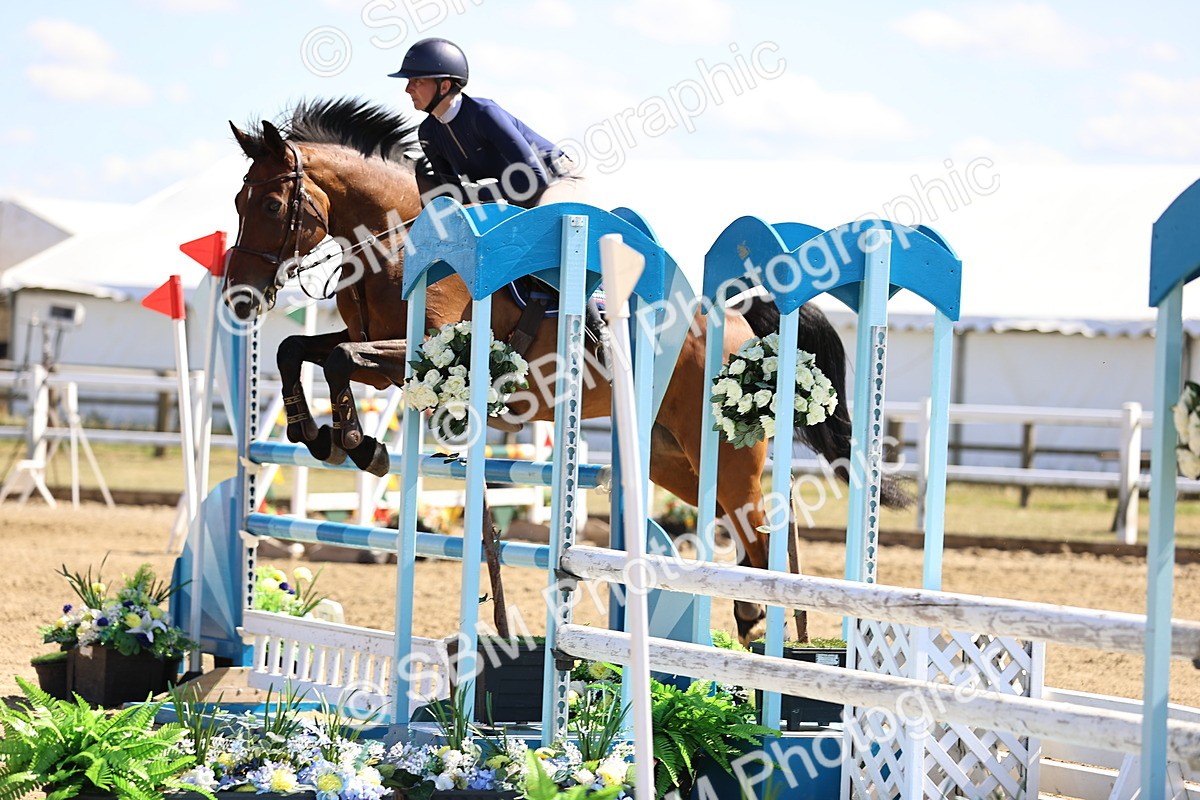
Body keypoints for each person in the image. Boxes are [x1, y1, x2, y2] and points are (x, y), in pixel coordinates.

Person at [389, 38, 584, 209]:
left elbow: (533, 178)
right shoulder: (428, 133)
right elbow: (454, 194)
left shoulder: (484, 114)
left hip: (557, 179)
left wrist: (474, 192)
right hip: (515, 194)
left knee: (541, 224)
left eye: (417, 82)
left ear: (445, 86)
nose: (408, 89)